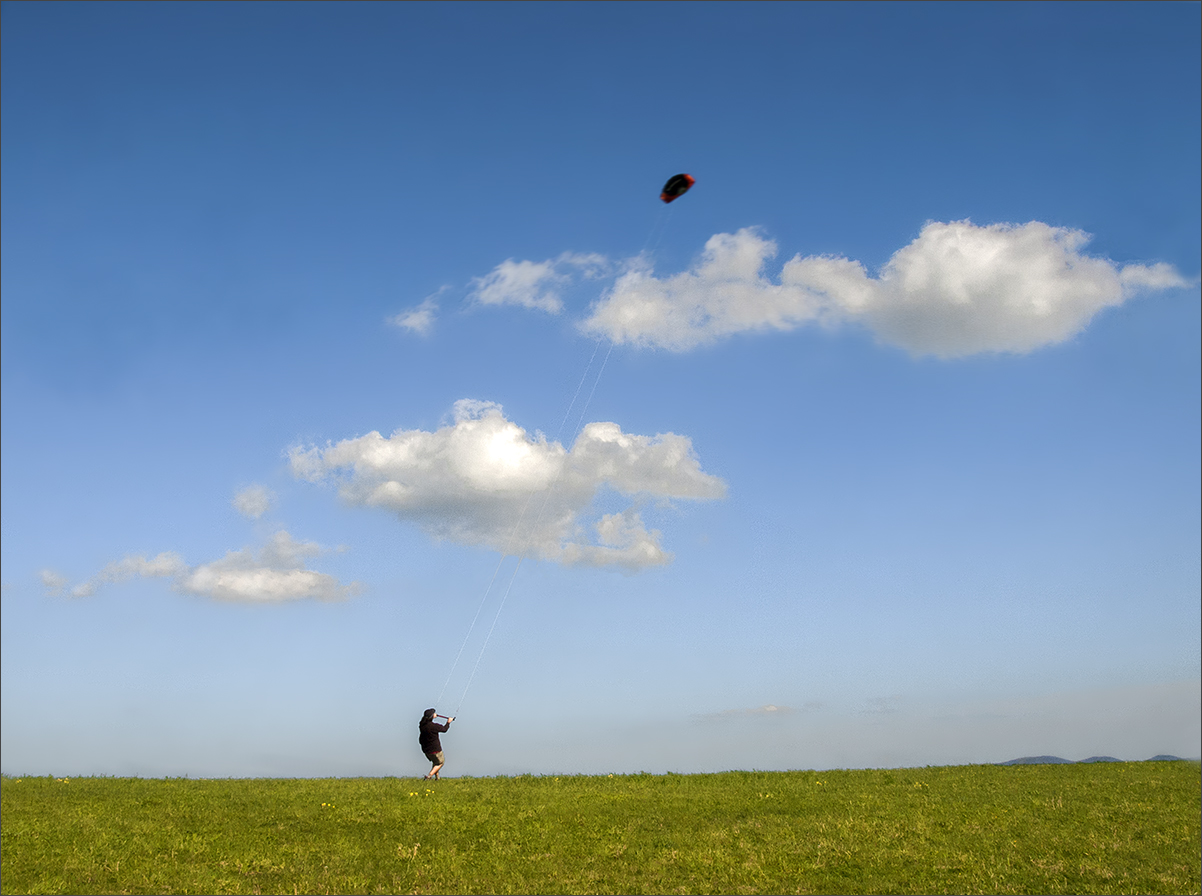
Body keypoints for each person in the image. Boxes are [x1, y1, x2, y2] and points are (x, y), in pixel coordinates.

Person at [418, 708, 453, 779]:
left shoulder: (422, 725)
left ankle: (437, 778)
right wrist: (448, 722)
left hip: (426, 749)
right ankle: (429, 776)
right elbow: (444, 729)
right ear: (431, 717)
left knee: (435, 762)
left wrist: (433, 716)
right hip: (435, 749)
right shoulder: (433, 726)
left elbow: (426, 721)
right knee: (440, 763)